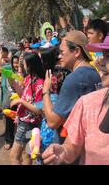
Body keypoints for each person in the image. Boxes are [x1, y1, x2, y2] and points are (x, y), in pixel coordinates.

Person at [42, 35, 109, 165]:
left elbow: (52, 121)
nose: (100, 61)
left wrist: (46, 91)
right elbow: (72, 144)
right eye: (104, 54)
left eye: (62, 52)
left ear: (77, 52)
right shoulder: (89, 98)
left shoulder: (74, 79)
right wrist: (64, 151)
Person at [9, 53, 45, 165]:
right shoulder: (29, 78)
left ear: (30, 66)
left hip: (28, 124)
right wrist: (13, 84)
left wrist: (20, 102)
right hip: (27, 122)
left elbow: (39, 110)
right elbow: (24, 95)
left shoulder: (40, 83)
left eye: (23, 64)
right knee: (27, 154)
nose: (22, 67)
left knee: (14, 156)